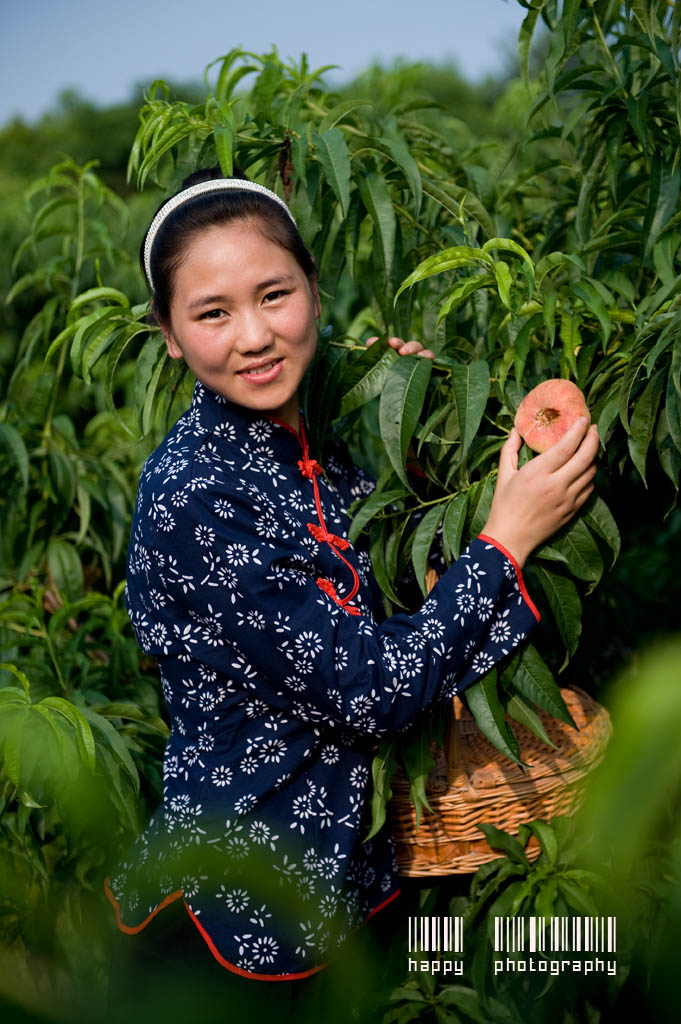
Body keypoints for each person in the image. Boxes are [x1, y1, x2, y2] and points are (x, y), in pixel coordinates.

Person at [104, 168, 599, 1021]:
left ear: (315, 291)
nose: (254, 336)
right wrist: (507, 540)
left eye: (274, 295)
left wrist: (400, 421)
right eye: (212, 313)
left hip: (354, 873)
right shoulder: (195, 493)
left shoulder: (316, 432)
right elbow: (368, 689)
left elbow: (380, 572)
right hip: (238, 913)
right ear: (170, 335)